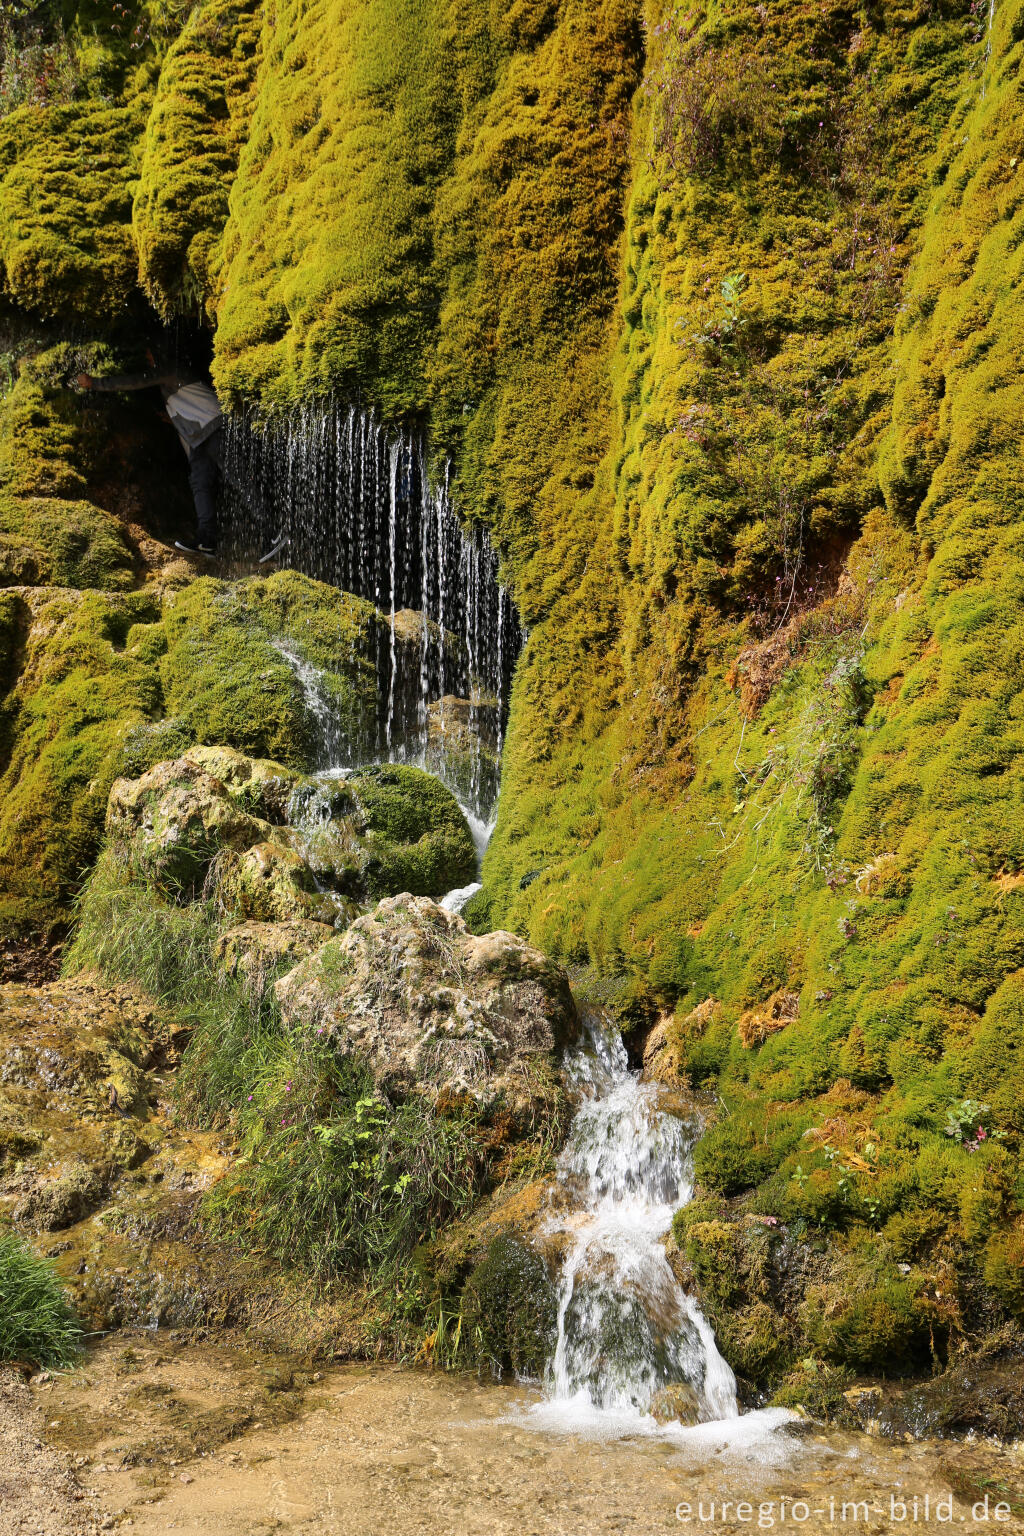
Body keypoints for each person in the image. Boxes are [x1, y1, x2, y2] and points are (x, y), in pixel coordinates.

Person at [77, 359, 225, 557]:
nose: (147, 359)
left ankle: (272, 529)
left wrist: (95, 383)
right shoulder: (170, 390)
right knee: (200, 483)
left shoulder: (171, 368)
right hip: (198, 438)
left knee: (237, 476)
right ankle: (207, 540)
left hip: (216, 428)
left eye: (148, 354)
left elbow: (136, 380)